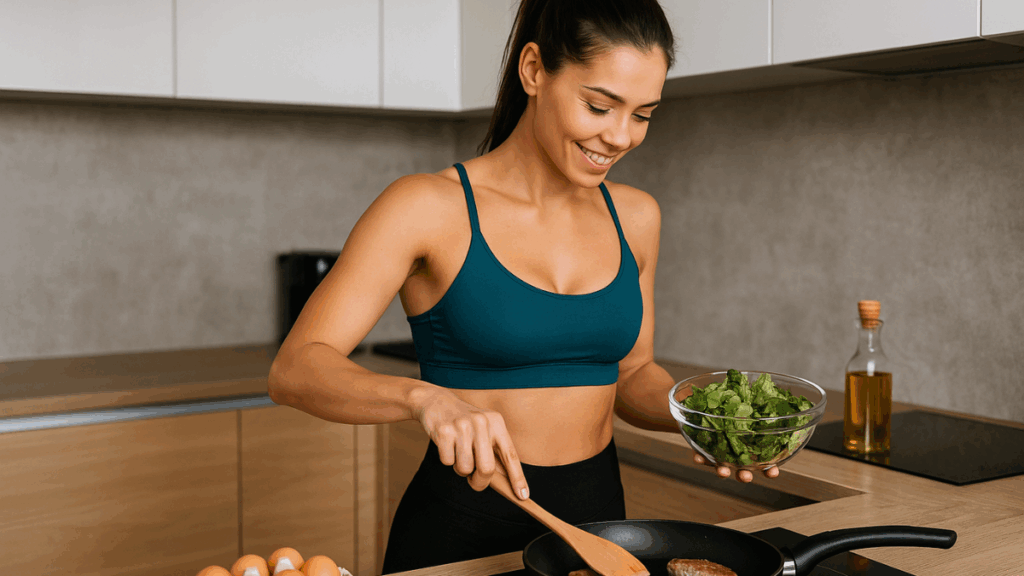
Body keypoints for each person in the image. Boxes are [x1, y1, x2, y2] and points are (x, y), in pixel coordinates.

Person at [267, 0, 778, 572]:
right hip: (462, 522)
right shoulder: (427, 207)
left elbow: (631, 374)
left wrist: (710, 422)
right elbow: (296, 368)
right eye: (599, 106)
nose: (620, 136)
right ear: (534, 70)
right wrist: (423, 399)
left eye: (643, 115)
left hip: (601, 521)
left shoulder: (636, 217)